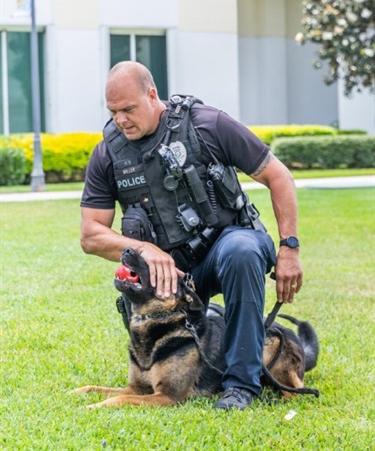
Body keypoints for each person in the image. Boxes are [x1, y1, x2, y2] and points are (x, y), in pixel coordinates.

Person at [80, 60, 303, 410]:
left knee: (242, 249)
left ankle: (241, 385)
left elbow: (279, 177)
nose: (120, 119)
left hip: (226, 253)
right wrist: (144, 249)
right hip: (172, 274)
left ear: (152, 95)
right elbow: (90, 234)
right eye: (113, 111)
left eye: (128, 109)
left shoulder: (206, 124)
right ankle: (187, 364)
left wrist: (289, 247)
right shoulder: (109, 152)